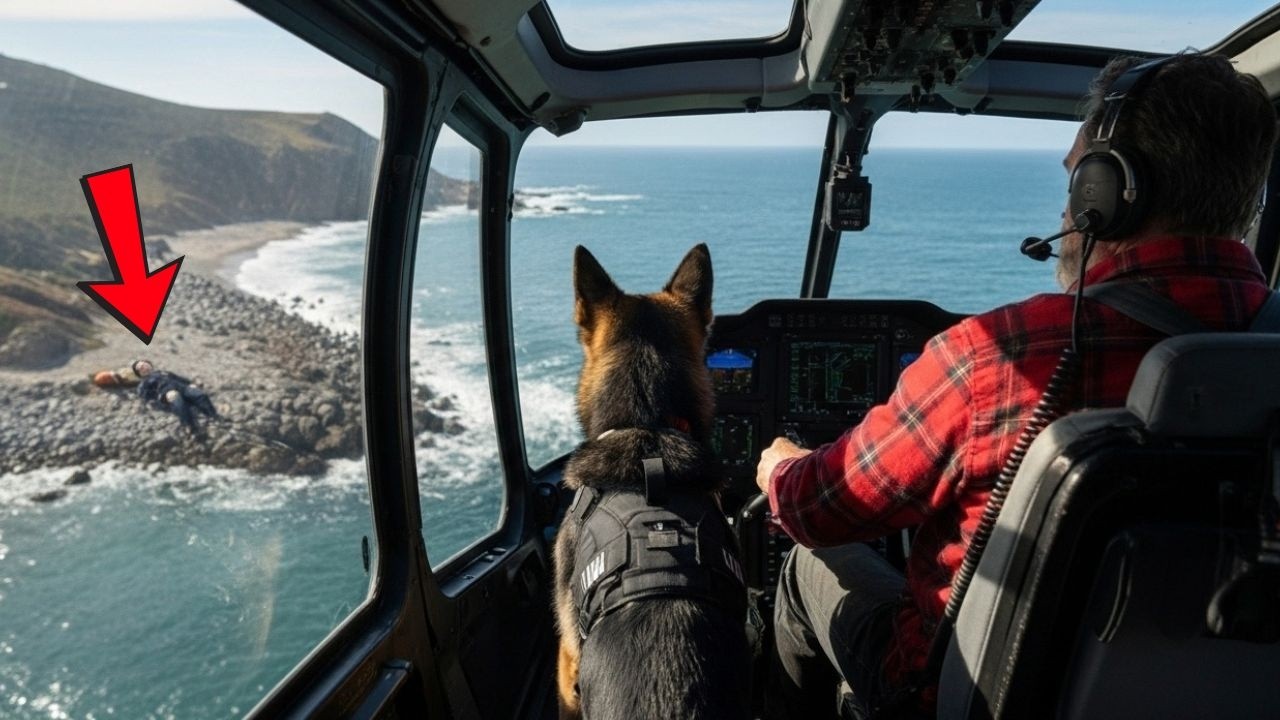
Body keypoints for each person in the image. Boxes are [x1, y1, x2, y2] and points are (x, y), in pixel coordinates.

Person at [755, 53, 1278, 718]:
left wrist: (780, 469)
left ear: (1105, 195)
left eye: (1075, 179)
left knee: (806, 566)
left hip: (956, 696)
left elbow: (822, 509)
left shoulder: (999, 355)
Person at [137, 369, 219, 433]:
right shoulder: (144, 383)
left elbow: (178, 378)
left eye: (145, 366)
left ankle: (213, 416)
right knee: (179, 403)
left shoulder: (163, 372)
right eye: (141, 369)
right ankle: (189, 426)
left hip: (182, 387)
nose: (144, 368)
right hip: (167, 393)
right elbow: (146, 396)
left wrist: (190, 383)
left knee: (200, 395)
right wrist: (160, 398)